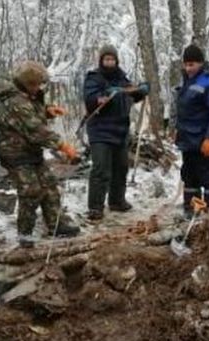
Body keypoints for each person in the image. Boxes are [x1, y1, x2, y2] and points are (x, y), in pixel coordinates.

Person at [0, 61, 81, 246]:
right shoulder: (16, 102)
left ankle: (56, 225)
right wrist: (63, 146)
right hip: (15, 153)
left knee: (49, 186)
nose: (39, 87)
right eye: (36, 84)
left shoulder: (28, 96)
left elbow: (34, 112)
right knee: (30, 191)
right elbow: (36, 130)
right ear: (27, 83)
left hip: (31, 151)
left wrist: (47, 111)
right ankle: (25, 234)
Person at [83, 44, 149, 221]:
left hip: (120, 130)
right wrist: (102, 97)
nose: (109, 62)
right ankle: (95, 207)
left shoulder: (122, 78)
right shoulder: (93, 78)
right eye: (106, 59)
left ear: (116, 60)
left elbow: (131, 93)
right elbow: (90, 99)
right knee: (101, 169)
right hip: (100, 130)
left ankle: (117, 201)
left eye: (112, 59)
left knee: (120, 167)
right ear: (101, 60)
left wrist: (141, 91)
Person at [173, 44, 209, 217]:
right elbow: (183, 111)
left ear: (201, 63)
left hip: (204, 141)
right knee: (189, 178)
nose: (188, 68)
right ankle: (191, 213)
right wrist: (177, 130)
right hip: (188, 141)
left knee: (208, 178)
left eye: (192, 64)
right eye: (186, 64)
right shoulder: (185, 82)